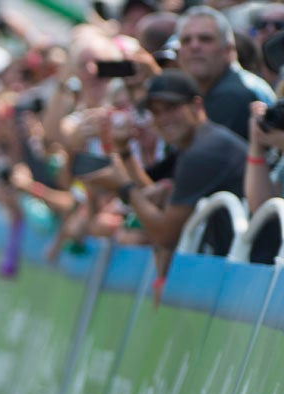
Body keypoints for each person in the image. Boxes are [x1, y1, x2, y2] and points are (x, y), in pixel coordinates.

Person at [88, 70, 248, 280]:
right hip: (237, 265)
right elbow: (153, 202)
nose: (163, 119)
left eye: (171, 108)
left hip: (252, 267)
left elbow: (164, 235)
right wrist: (124, 152)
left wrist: (124, 188)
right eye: (156, 112)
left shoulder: (204, 151)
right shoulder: (195, 143)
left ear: (196, 105)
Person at [176, 5, 274, 139]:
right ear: (179, 52)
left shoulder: (233, 93)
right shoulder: (221, 86)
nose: (194, 46)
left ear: (228, 49)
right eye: (186, 40)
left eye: (205, 39)